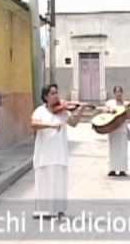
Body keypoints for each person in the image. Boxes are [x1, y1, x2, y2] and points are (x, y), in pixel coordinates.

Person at [30, 84, 89, 219]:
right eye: (52, 93)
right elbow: (33, 124)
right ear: (45, 96)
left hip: (59, 153)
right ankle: (43, 211)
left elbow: (73, 123)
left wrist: (81, 110)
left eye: (56, 93)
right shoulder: (40, 111)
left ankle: (59, 210)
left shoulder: (63, 112)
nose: (56, 96)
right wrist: (51, 125)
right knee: (44, 182)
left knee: (59, 183)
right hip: (44, 154)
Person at [105, 86, 130, 177]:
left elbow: (129, 116)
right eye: (117, 92)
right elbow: (105, 113)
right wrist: (109, 111)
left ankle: (122, 170)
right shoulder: (110, 103)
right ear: (114, 93)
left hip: (122, 129)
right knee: (113, 150)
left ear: (122, 93)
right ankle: (112, 169)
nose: (118, 94)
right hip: (112, 129)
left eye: (120, 92)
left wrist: (127, 108)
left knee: (122, 150)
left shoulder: (126, 103)